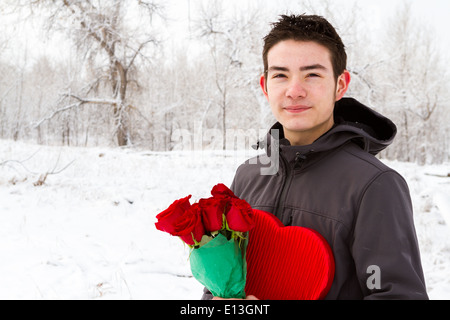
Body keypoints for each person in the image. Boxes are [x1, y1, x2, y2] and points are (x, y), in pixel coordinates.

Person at [202, 14, 428, 300]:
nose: (295, 91)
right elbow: (219, 282)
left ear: (340, 85)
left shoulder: (374, 184)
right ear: (265, 86)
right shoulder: (248, 175)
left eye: (312, 74)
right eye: (281, 75)